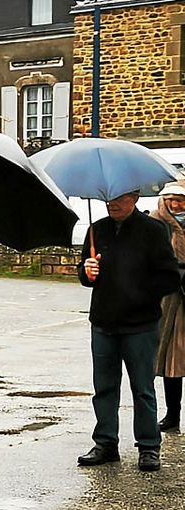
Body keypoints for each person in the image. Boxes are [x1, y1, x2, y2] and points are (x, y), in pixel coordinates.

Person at [78, 190, 181, 471]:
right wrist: (86, 272)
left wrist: (139, 293)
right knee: (104, 388)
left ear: (134, 197)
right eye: (109, 198)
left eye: (120, 198)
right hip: (103, 323)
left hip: (140, 325)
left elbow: (170, 277)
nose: (113, 203)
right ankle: (105, 443)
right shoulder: (96, 229)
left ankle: (148, 446)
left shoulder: (153, 230)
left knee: (143, 388)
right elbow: (84, 274)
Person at [151, 182, 185, 432]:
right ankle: (173, 415)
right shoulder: (155, 224)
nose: (176, 205)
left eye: (181, 200)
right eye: (171, 199)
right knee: (172, 359)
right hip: (169, 298)